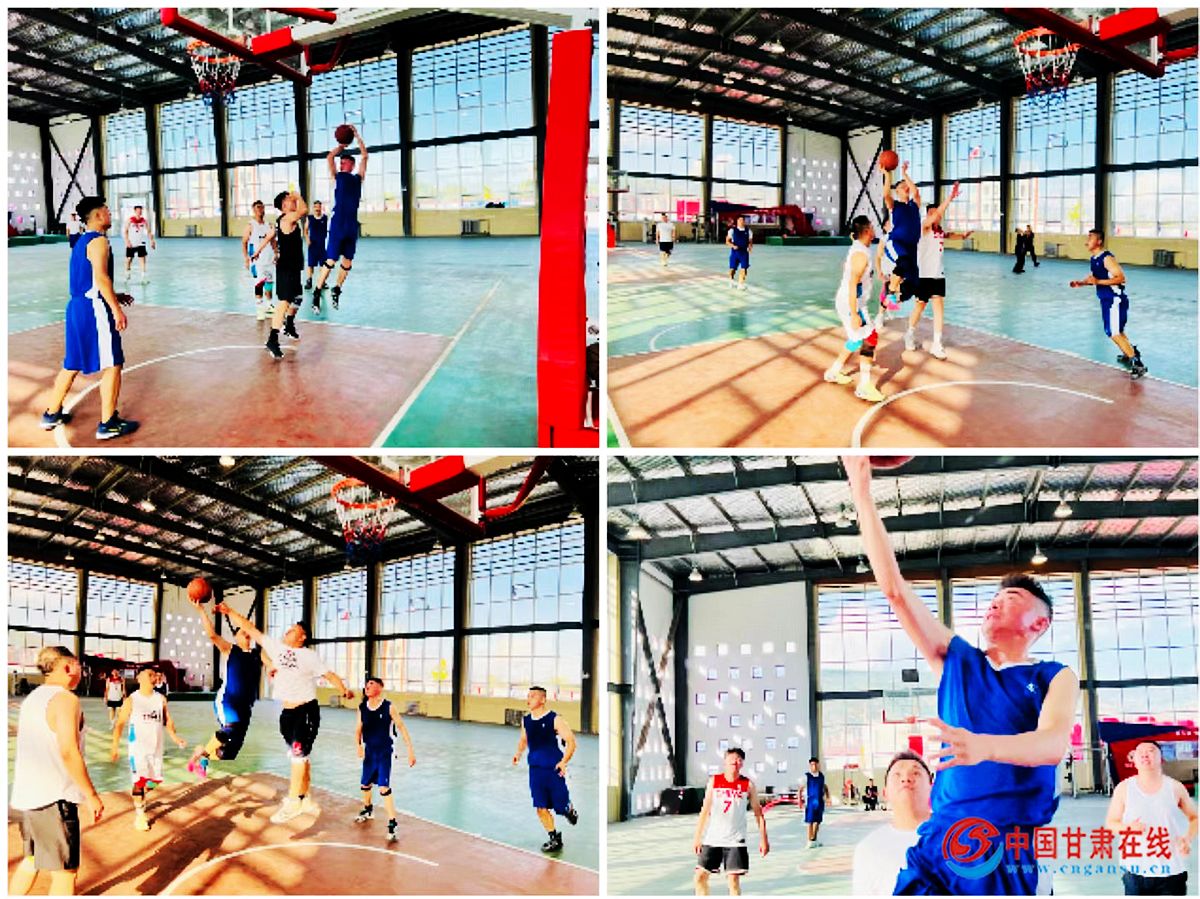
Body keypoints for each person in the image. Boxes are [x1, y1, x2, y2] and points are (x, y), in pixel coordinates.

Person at [845, 454, 1079, 895]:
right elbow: (895, 591)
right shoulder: (959, 660)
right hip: (938, 839)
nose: (995, 604)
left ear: (1039, 623)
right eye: (994, 599)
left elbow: (1051, 745)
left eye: (1010, 599)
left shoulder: (1055, 675)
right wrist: (861, 491)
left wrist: (983, 746)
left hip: (1000, 843)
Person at [214, 603, 355, 823]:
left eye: (293, 629)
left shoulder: (309, 656)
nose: (287, 630)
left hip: (305, 711)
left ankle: (293, 801)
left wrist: (343, 689)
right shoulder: (278, 649)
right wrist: (229, 612)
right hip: (287, 715)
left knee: (298, 756)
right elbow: (250, 628)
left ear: (302, 637)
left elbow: (329, 674)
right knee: (301, 757)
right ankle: (304, 797)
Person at [40, 196, 138, 440]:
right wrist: (115, 309)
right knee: (113, 363)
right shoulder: (99, 241)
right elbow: (101, 278)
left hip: (77, 307)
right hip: (94, 309)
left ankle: (51, 414)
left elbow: (89, 279)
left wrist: (115, 295)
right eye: (107, 210)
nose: (110, 214)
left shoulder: (81, 241)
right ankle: (108, 423)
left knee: (72, 363)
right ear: (97, 215)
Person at [9, 646, 104, 897]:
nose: (82, 671)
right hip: (53, 799)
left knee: (32, 860)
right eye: (79, 665)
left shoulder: (33, 698)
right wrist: (91, 795)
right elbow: (68, 751)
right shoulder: (65, 699)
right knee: (65, 873)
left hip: (27, 797)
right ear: (68, 666)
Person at [1104, 739, 1197, 895]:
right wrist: (1128, 828)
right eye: (1140, 752)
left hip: (1171, 871)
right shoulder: (1124, 788)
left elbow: (1195, 817)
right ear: (1133, 760)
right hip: (1135, 871)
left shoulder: (1175, 787)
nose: (1145, 755)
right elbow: (1111, 822)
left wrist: (1187, 838)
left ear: (1161, 757)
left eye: (1151, 751)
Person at [185, 600, 262, 780]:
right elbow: (212, 635)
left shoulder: (257, 655)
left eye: (248, 631)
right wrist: (201, 610)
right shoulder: (231, 650)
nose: (247, 633)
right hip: (228, 700)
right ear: (236, 637)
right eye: (242, 631)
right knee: (230, 729)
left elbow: (272, 664)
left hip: (246, 707)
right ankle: (201, 756)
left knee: (228, 753)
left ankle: (203, 755)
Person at [110, 668, 186, 831]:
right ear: (139, 678)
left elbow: (167, 720)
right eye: (150, 674)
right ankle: (140, 815)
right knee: (139, 781)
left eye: (155, 674)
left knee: (155, 781)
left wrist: (175, 737)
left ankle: (140, 797)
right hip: (137, 749)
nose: (154, 676)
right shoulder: (132, 700)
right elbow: (120, 724)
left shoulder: (161, 699)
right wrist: (114, 746)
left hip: (156, 748)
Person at [851, 750, 933, 895]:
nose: (906, 778)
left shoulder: (958, 838)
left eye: (916, 773)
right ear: (885, 793)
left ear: (932, 788)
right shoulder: (868, 849)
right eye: (897, 775)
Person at [1070, 229, 1147, 379]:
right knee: (1118, 330)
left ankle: (1138, 364)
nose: (1087, 240)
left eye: (1091, 237)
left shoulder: (1107, 258)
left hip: (1114, 299)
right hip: (1107, 300)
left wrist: (1098, 281)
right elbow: (1096, 279)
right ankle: (1130, 352)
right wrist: (1082, 283)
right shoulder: (1094, 259)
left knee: (1113, 332)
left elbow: (1121, 278)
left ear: (1099, 241)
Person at [904, 184, 969, 361]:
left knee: (939, 305)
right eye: (933, 213)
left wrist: (962, 236)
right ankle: (909, 334)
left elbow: (949, 235)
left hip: (938, 275)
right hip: (923, 275)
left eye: (937, 214)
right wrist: (950, 198)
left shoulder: (939, 231)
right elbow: (938, 213)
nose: (936, 216)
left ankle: (937, 343)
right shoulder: (923, 227)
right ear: (928, 215)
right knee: (920, 306)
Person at [512, 685, 579, 853]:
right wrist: (518, 753)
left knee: (560, 806)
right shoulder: (526, 720)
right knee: (540, 807)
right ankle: (554, 837)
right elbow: (524, 739)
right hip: (535, 770)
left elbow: (571, 741)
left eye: (533, 696)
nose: (529, 699)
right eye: (528, 696)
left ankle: (568, 809)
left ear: (543, 699)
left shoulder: (554, 719)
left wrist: (563, 762)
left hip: (553, 769)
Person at [693, 747, 769, 896]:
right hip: (713, 839)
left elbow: (758, 814)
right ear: (725, 761)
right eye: (732, 758)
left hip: (735, 840)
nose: (735, 761)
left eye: (739, 759)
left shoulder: (748, 785)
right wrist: (697, 837)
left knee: (733, 881)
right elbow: (705, 810)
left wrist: (764, 839)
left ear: (742, 764)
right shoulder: (714, 781)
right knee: (699, 877)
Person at [824, 215, 884, 403]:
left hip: (852, 302)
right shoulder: (860, 255)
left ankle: (834, 372)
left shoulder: (859, 248)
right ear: (866, 231)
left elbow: (847, 268)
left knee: (856, 339)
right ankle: (864, 386)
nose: (874, 230)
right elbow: (852, 284)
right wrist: (855, 313)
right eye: (872, 227)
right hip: (852, 303)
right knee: (870, 337)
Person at [354, 676, 417, 843]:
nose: (367, 686)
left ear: (380, 688)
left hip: (384, 753)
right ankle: (368, 809)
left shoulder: (389, 707)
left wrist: (410, 750)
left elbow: (401, 727)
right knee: (365, 785)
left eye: (371, 684)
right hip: (369, 752)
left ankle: (392, 824)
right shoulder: (362, 708)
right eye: (366, 684)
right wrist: (358, 746)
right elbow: (358, 729)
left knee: (383, 787)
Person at [313, 125, 368, 311]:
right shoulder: (337, 177)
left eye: (344, 162)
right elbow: (330, 157)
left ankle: (337, 289)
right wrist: (342, 146)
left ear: (351, 165)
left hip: (351, 225)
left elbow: (365, 156)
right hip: (338, 224)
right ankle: (317, 291)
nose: (341, 164)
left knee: (348, 261)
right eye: (341, 162)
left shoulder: (357, 178)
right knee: (331, 260)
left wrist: (357, 135)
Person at [265, 190, 306, 360]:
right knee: (284, 302)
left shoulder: (286, 219)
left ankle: (289, 324)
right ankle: (272, 339)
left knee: (298, 297)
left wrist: (270, 251)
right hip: (287, 268)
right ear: (284, 205)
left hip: (293, 267)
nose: (294, 201)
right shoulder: (287, 218)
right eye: (290, 200)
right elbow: (304, 210)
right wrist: (298, 195)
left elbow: (272, 238)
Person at [880, 162, 922, 324]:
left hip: (912, 247)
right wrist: (887, 175)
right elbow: (886, 195)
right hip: (897, 242)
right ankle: (890, 294)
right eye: (901, 185)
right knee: (903, 262)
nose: (905, 186)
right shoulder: (894, 205)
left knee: (913, 285)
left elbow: (916, 191)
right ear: (897, 191)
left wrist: (905, 174)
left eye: (907, 185)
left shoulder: (914, 205)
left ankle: (888, 302)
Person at [242, 200, 276, 322]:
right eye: (258, 207)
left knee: (269, 283)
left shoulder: (269, 225)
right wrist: (246, 258)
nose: (261, 210)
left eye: (262, 207)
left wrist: (276, 253)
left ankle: (269, 305)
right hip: (257, 261)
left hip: (269, 259)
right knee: (259, 283)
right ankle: (259, 308)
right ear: (253, 210)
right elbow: (244, 242)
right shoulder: (250, 225)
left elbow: (273, 241)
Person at [122, 204, 155, 283]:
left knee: (142, 259)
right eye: (138, 210)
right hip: (131, 243)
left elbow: (149, 231)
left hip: (140, 243)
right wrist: (127, 241)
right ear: (135, 211)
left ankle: (143, 278)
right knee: (129, 259)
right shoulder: (130, 220)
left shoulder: (144, 221)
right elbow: (125, 231)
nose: (139, 212)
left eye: (140, 211)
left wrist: (152, 241)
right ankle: (127, 275)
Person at [804, 757, 829, 847]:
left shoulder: (821, 776)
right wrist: (799, 800)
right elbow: (801, 789)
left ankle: (814, 839)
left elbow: (825, 786)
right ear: (810, 766)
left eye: (815, 764)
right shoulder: (807, 776)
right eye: (812, 765)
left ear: (818, 765)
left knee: (817, 821)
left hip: (819, 801)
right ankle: (809, 840)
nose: (814, 766)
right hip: (810, 801)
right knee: (810, 821)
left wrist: (828, 797)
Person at [303, 200, 328, 291]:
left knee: (323, 264)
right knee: (311, 264)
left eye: (319, 207)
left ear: (321, 208)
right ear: (313, 208)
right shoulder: (309, 218)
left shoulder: (325, 218)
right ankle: (309, 281)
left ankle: (322, 281)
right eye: (316, 207)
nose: (317, 209)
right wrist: (307, 239)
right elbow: (305, 230)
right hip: (312, 245)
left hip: (322, 245)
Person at [726, 215, 752, 290]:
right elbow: (727, 241)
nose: (741, 222)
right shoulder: (732, 230)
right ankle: (731, 280)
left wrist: (750, 247)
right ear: (737, 221)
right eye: (740, 220)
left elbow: (750, 241)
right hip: (735, 253)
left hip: (744, 253)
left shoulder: (748, 231)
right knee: (732, 269)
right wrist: (733, 246)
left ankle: (740, 284)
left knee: (744, 268)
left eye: (743, 220)